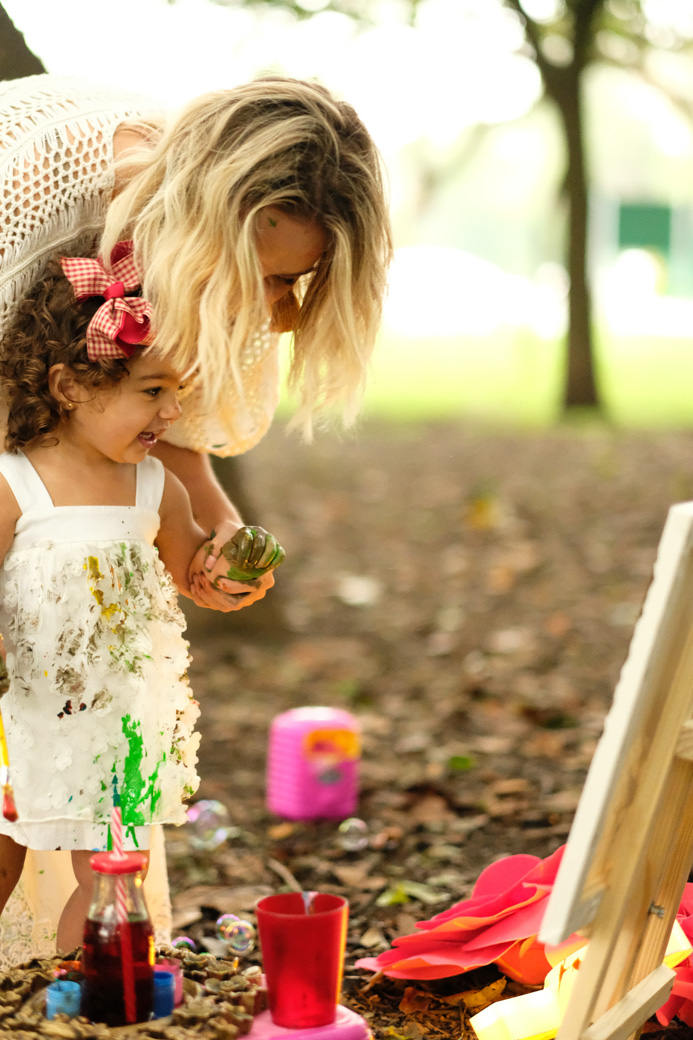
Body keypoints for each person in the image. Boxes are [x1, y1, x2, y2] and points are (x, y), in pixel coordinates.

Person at [0, 70, 391, 965]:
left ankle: (79, 976)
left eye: (305, 281)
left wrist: (207, 529)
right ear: (215, 220)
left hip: (76, 655)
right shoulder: (46, 194)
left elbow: (136, 415)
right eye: (274, 277)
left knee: (99, 837)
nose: (286, 312)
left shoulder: (184, 275)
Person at [0, 249, 284, 955]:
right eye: (152, 391)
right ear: (69, 385)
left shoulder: (156, 488)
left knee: (110, 886)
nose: (173, 410)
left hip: (112, 731)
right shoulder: (16, 484)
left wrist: (224, 577)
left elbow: (192, 569)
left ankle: (85, 995)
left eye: (178, 391)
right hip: (18, 722)